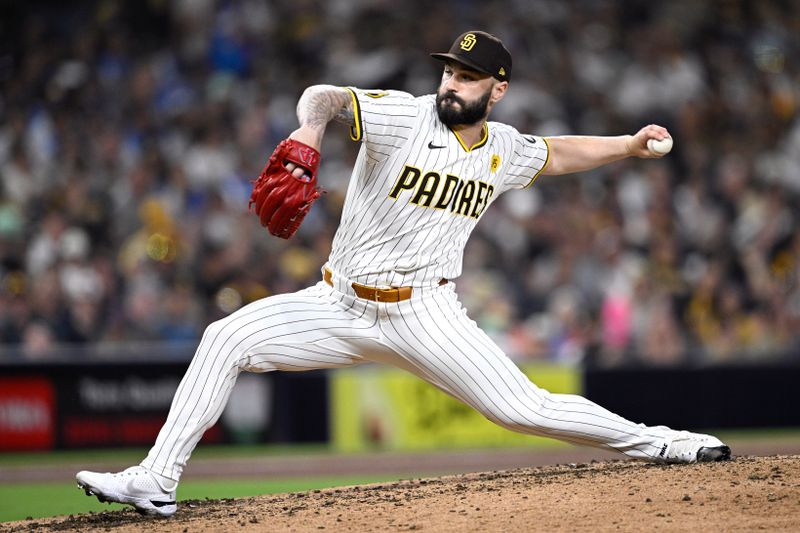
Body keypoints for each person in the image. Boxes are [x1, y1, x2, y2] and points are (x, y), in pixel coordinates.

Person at [76, 30, 730, 517]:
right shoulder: (402, 115)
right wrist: (308, 131)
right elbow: (326, 96)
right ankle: (157, 480)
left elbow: (555, 153)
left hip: (426, 313)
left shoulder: (501, 148)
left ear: (497, 91)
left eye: (469, 77)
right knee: (226, 337)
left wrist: (627, 145)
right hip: (338, 304)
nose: (452, 83)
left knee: (524, 407)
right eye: (449, 70)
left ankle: (659, 442)